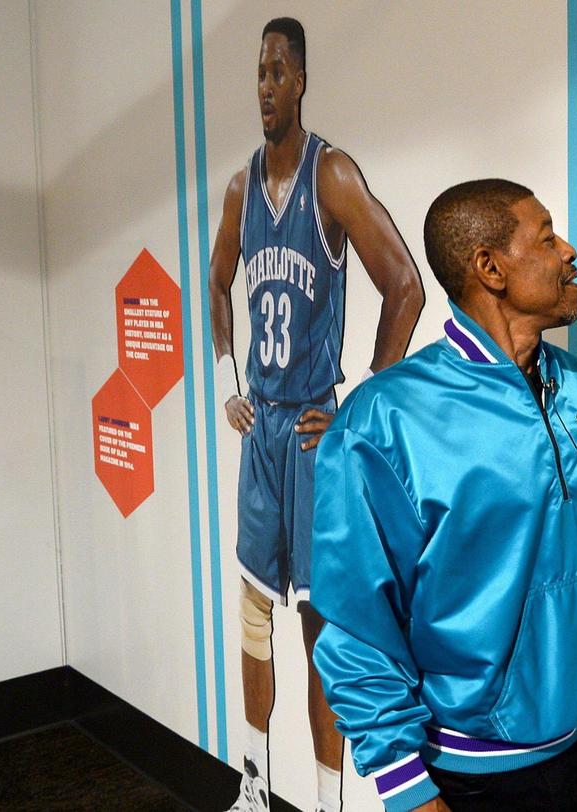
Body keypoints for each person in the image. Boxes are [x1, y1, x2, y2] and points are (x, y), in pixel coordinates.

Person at [310, 179, 577, 812]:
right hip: (467, 772)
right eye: (546, 237)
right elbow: (357, 623)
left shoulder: (576, 387)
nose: (569, 251)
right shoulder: (385, 421)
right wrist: (404, 785)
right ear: (490, 268)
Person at [207, 17, 424, 812]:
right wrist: (229, 375)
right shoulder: (239, 187)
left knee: (321, 633)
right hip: (260, 428)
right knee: (254, 614)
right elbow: (217, 279)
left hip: (312, 430)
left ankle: (330, 802)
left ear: (301, 81)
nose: (264, 87)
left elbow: (405, 284)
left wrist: (362, 406)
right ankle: (256, 787)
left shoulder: (330, 176)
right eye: (257, 73)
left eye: (276, 72)